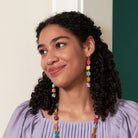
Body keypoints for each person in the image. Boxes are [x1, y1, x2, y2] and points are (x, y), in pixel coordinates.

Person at [3, 11, 138, 138]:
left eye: (60, 45)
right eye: (43, 51)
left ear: (88, 47)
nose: (49, 59)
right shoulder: (26, 119)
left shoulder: (129, 119)